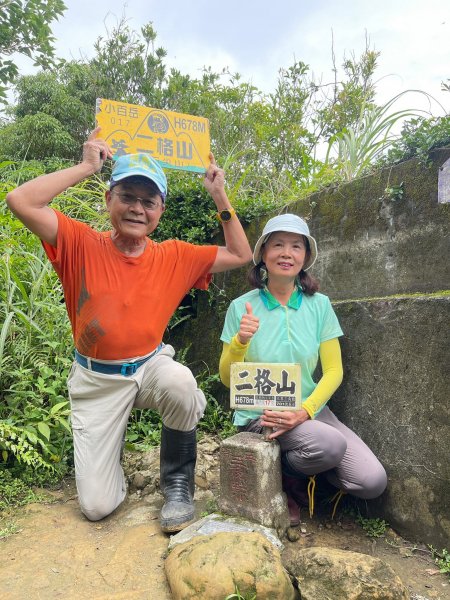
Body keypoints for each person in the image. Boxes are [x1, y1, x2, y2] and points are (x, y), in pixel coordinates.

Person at [6, 128, 252, 532]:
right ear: (109, 200)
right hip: (97, 381)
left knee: (181, 383)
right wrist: (87, 167)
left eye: (149, 201)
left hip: (149, 366)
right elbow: (20, 200)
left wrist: (220, 197)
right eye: (128, 197)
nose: (138, 208)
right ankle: (108, 457)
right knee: (97, 506)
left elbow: (241, 253)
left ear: (160, 210)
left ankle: (177, 484)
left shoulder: (176, 256)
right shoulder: (78, 242)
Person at [219, 213, 387, 526]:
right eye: (278, 245)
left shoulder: (319, 305)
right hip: (262, 413)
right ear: (263, 255)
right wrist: (240, 341)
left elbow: (334, 370)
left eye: (296, 246)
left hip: (310, 411)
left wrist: (306, 411)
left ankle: (306, 470)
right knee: (329, 444)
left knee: (371, 481)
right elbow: (228, 378)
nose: (287, 253)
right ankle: (289, 483)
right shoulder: (241, 307)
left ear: (306, 256)